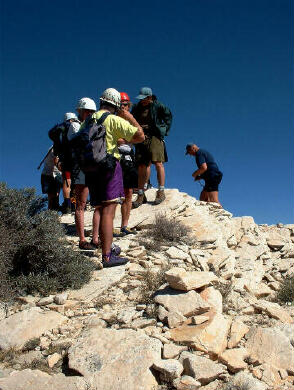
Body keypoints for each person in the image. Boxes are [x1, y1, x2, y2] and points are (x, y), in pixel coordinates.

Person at [85, 88, 145, 267]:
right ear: (117, 104)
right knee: (109, 211)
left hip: (90, 168)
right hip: (109, 166)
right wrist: (128, 116)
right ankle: (107, 255)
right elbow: (140, 136)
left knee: (100, 208)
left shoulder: (89, 120)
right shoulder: (113, 120)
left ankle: (107, 246)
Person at [131, 87, 172, 207]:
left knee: (158, 162)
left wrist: (164, 130)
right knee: (142, 165)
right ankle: (140, 194)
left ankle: (161, 191)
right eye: (141, 99)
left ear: (149, 97)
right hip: (142, 136)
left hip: (155, 135)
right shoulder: (137, 107)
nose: (142, 101)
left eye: (144, 98)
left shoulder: (158, 106)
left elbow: (168, 117)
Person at [68, 98, 98, 250]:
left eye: (92, 112)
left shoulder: (92, 126)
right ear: (80, 111)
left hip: (92, 167)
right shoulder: (75, 125)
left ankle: (95, 238)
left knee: (98, 203)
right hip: (81, 167)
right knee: (81, 204)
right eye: (87, 111)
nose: (89, 114)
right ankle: (82, 239)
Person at [114, 92, 138, 236]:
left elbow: (138, 136)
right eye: (121, 104)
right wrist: (129, 139)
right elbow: (117, 140)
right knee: (114, 193)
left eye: (126, 105)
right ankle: (110, 225)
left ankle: (124, 225)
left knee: (128, 192)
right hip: (116, 156)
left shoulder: (130, 120)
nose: (123, 107)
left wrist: (128, 139)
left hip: (129, 156)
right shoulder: (113, 120)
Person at [59, 112, 80, 214]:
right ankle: (74, 204)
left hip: (65, 159)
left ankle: (67, 205)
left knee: (67, 182)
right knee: (76, 182)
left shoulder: (62, 131)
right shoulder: (75, 125)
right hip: (75, 158)